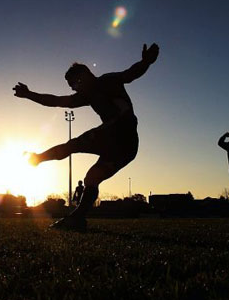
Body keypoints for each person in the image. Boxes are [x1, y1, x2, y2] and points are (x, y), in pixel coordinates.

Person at [13, 43, 159, 230]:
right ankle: (78, 219)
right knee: (91, 178)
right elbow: (57, 101)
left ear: (84, 77)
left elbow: (130, 74)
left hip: (122, 134)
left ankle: (38, 158)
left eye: (73, 84)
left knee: (74, 145)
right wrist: (29, 94)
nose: (73, 89)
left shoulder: (108, 81)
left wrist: (145, 62)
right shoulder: (86, 96)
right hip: (124, 148)